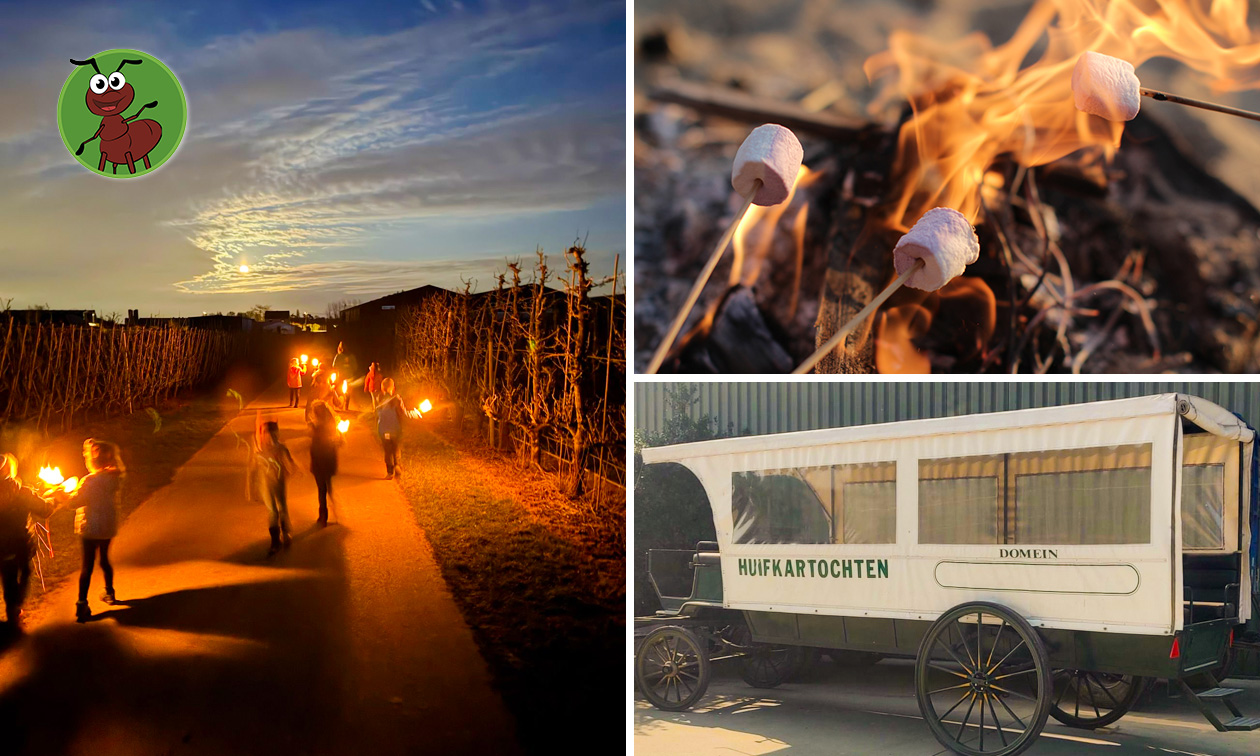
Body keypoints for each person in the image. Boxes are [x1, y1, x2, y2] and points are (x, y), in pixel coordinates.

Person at [59, 439, 124, 623]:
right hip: (107, 526)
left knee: (87, 565)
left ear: (93, 460)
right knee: (104, 558)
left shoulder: (89, 481)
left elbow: (75, 502)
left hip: (90, 527)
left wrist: (62, 496)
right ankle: (109, 592)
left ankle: (81, 604)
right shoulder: (114, 477)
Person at [0, 455, 58, 632]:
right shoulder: (22, 491)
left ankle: (12, 611)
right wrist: (55, 498)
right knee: (25, 571)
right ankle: (16, 607)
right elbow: (45, 510)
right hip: (20, 543)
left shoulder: (23, 491)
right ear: (10, 470)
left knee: (7, 576)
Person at [251, 421, 297, 555]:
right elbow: (254, 469)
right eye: (265, 432)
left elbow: (291, 463)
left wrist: (290, 471)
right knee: (272, 511)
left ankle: (286, 532)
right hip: (265, 484)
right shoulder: (259, 450)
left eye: (270, 432)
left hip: (279, 482)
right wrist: (253, 487)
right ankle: (275, 541)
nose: (268, 435)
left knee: (282, 507)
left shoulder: (281, 448)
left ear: (276, 434)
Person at [308, 401, 343, 527]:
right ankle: (333, 511)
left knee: (322, 489)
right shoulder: (332, 425)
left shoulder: (317, 427)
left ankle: (323, 516)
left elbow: (315, 445)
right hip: (328, 461)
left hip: (320, 462)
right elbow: (339, 442)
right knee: (327, 487)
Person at [375, 378, 407, 479]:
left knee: (387, 451)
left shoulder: (378, 398)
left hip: (383, 430)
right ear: (392, 387)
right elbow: (402, 413)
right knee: (396, 448)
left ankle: (390, 471)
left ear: (382, 387)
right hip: (395, 429)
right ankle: (397, 464)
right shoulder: (397, 399)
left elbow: (376, 413)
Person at [331, 342, 357, 411]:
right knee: (347, 392)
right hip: (348, 376)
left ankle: (341, 405)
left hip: (342, 376)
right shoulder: (351, 356)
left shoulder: (339, 356)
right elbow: (355, 367)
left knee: (340, 391)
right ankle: (345, 406)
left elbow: (334, 366)